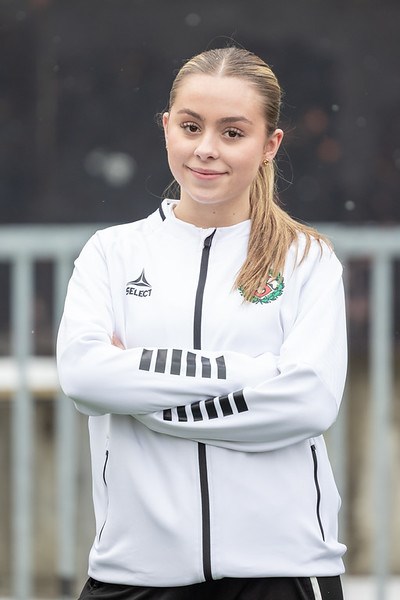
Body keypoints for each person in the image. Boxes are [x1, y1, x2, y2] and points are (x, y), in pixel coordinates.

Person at [57, 46, 347, 600]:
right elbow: (84, 377)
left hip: (281, 569)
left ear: (270, 144)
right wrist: (258, 375)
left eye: (232, 132)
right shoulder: (110, 253)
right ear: (167, 127)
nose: (206, 149)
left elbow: (308, 402)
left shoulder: (307, 259)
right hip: (135, 573)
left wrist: (143, 397)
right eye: (191, 127)